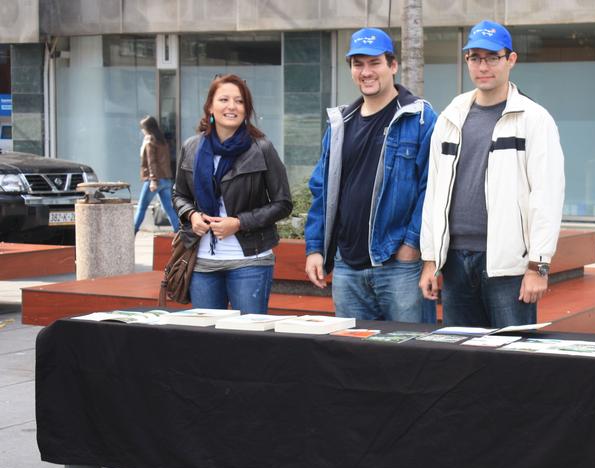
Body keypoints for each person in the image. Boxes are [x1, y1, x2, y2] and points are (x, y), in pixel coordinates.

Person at [419, 20, 565, 328]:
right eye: (475, 57)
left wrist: (538, 266)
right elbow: (434, 193)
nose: (482, 66)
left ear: (511, 60)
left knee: (513, 363)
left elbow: (547, 196)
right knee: (462, 359)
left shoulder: (534, 119)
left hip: (509, 267)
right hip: (456, 262)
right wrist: (431, 259)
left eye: (492, 57)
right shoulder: (450, 117)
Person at [304, 28, 438, 323]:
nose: (366, 72)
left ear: (393, 65)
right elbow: (322, 189)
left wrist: (411, 246)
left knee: (411, 356)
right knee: (355, 362)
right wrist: (315, 249)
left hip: (398, 266)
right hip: (347, 266)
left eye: (374, 62)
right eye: (358, 64)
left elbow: (432, 188)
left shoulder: (420, 118)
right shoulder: (340, 125)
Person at [173, 74, 292, 314]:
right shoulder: (191, 147)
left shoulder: (262, 148)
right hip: (202, 260)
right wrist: (192, 215)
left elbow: (283, 203)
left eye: (239, 101)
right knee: (206, 340)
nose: (232, 106)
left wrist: (239, 223)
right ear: (210, 107)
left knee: (249, 341)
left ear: (246, 109)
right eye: (224, 99)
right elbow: (179, 195)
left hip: (251, 260)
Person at [133, 116, 180, 233]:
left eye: (142, 128)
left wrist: (153, 180)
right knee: (168, 209)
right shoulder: (162, 141)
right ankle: (180, 234)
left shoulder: (150, 141)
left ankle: (131, 234)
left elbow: (151, 162)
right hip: (166, 180)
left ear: (147, 128)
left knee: (142, 208)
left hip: (154, 180)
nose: (142, 131)